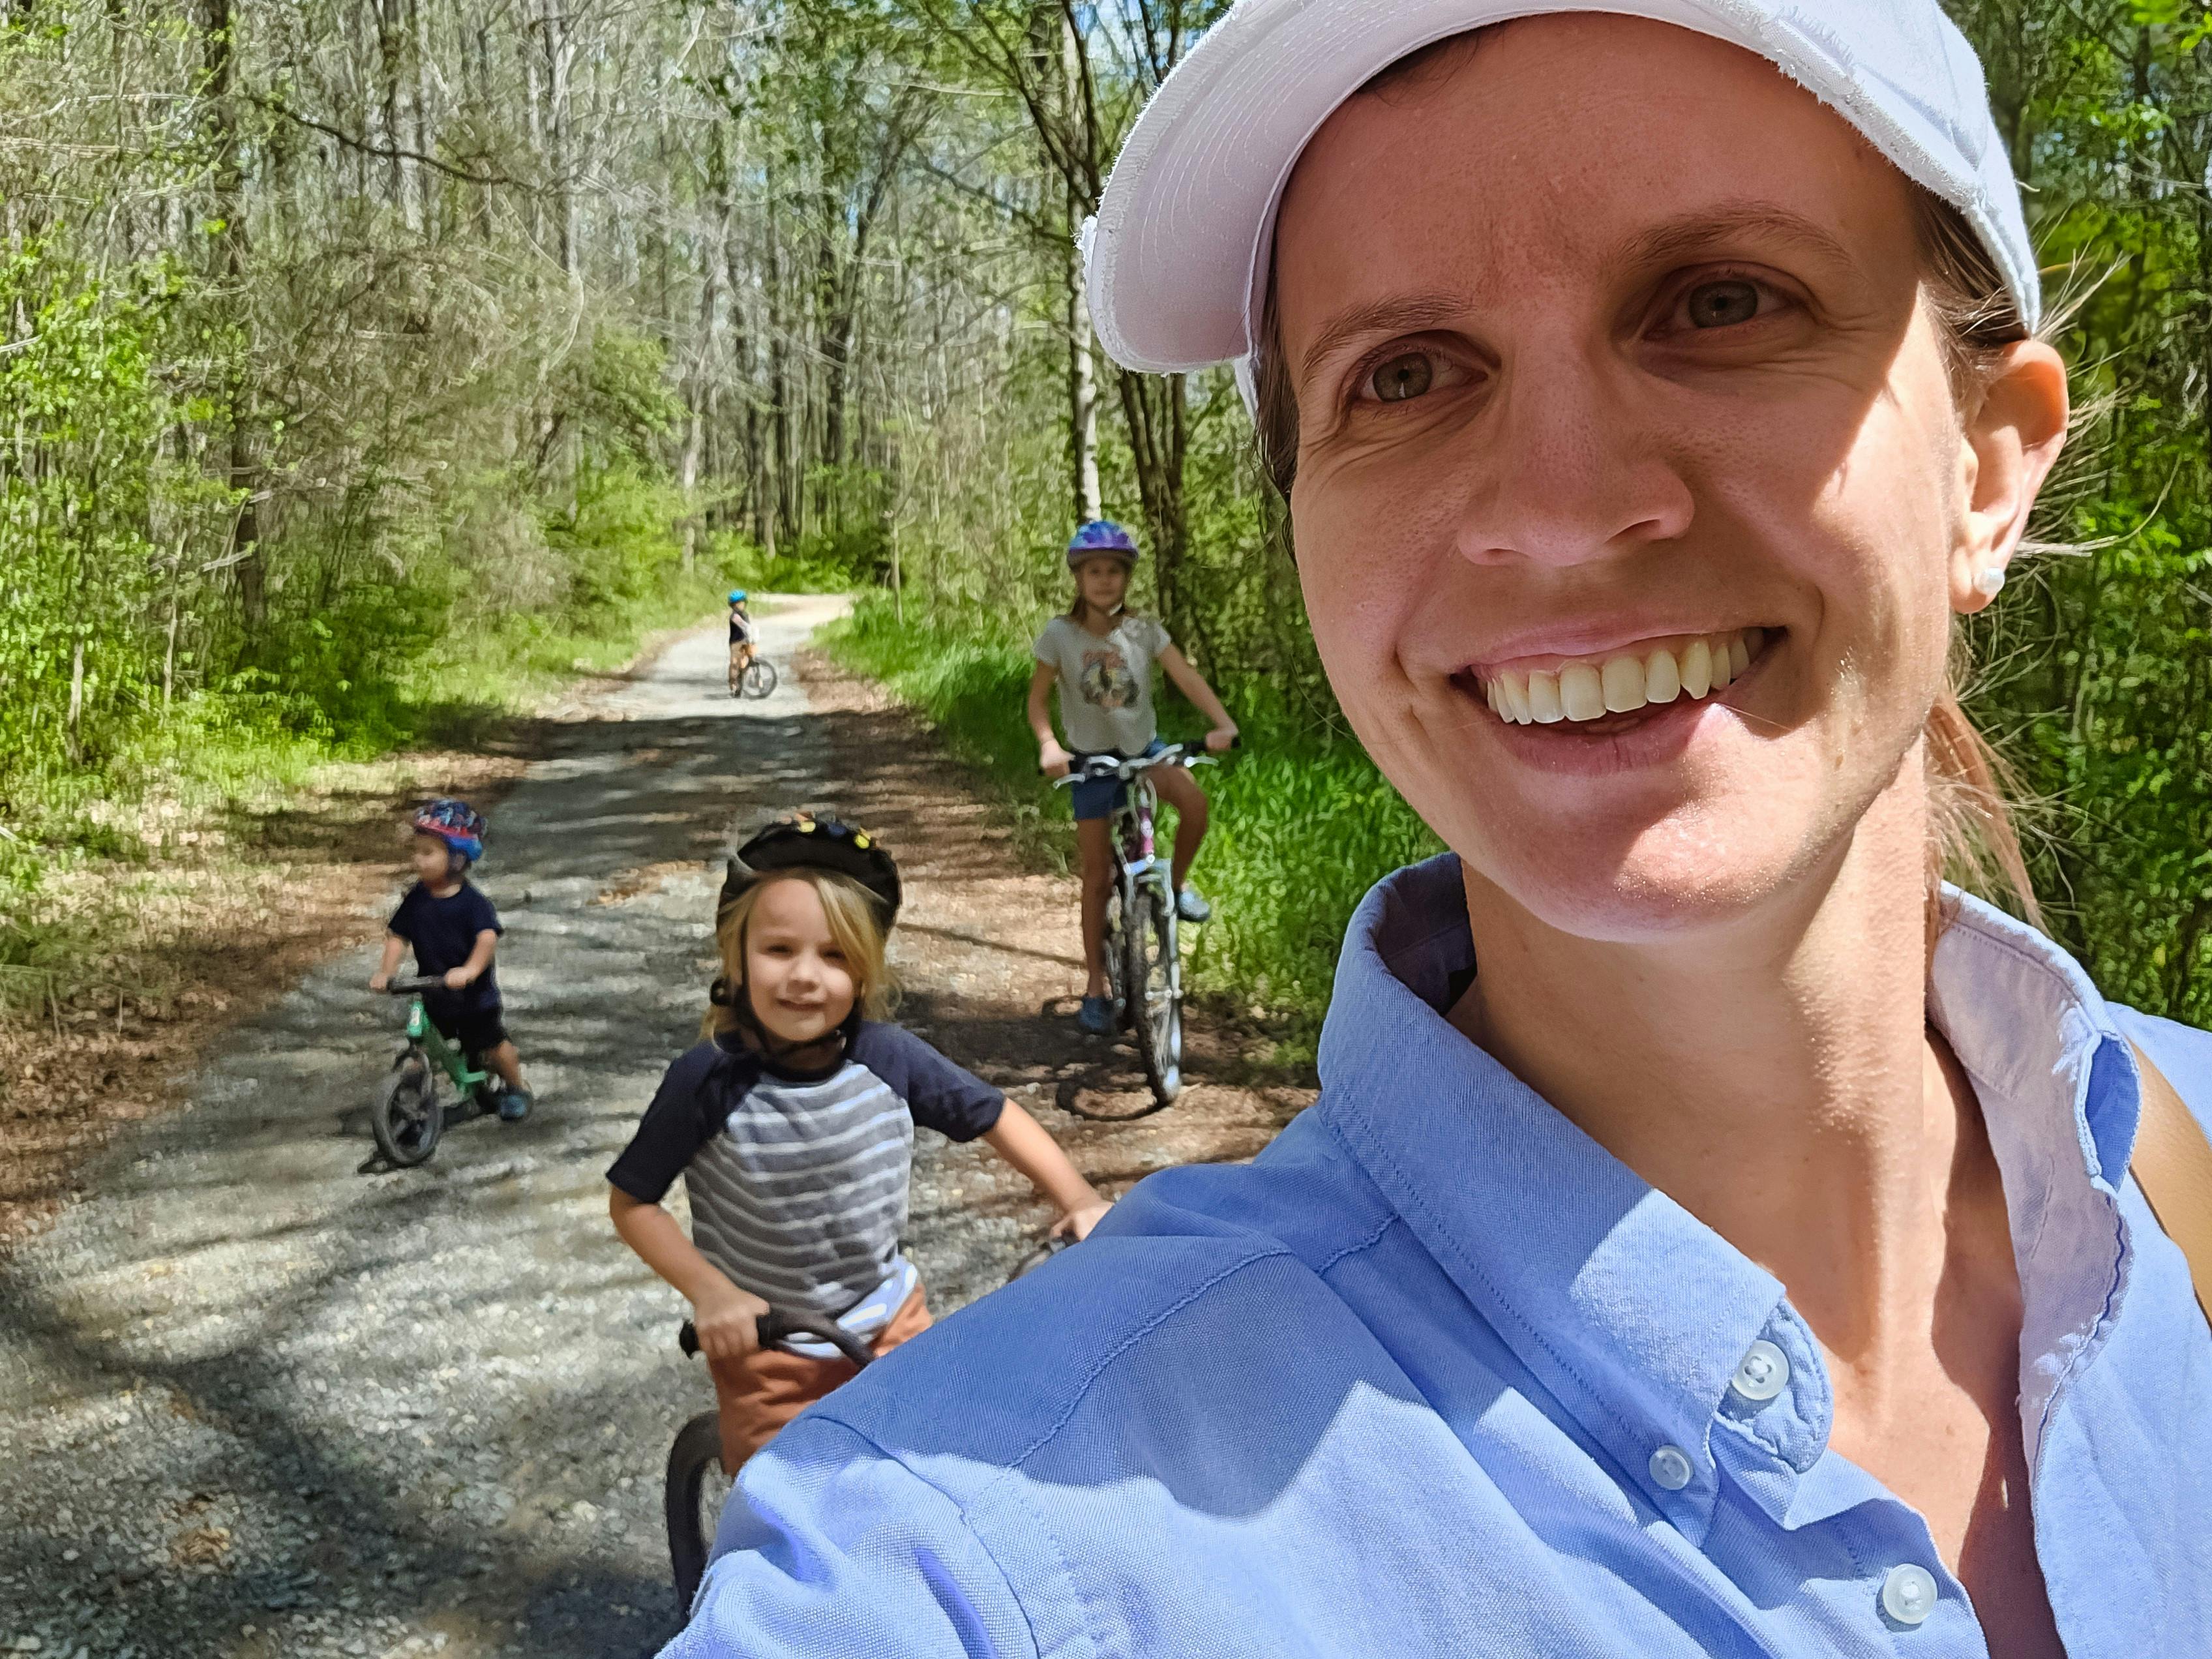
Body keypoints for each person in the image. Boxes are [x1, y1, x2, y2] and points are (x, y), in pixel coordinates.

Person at [665, 3, 2212, 1655]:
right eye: (1403, 374)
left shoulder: (2178, 1150)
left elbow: (1179, 687)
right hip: (1084, 780)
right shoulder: (971, 1550)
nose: (1555, 505)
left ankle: (1162, 908)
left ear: (1986, 464)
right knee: (1100, 836)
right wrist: (1049, 754)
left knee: (1168, 805)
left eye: (1719, 302)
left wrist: (1211, 729)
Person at [606, 813, 1113, 1469]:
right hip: (768, 1350)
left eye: (835, 955)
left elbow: (994, 1115)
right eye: (779, 950)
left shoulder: (890, 1059)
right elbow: (632, 1204)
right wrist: (710, 1292)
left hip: (890, 1322)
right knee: (781, 1515)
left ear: (866, 972)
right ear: (736, 959)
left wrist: (1075, 1197)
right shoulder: (707, 1080)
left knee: (932, 1474)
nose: (805, 976)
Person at [1026, 520, 1238, 1036]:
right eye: (1095, 571)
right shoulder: (1060, 634)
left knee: (1194, 803)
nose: (1105, 581)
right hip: (1090, 762)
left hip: (1144, 751)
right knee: (1097, 877)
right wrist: (1049, 744)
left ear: (1127, 579)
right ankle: (1096, 985)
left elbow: (1185, 675)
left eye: (1115, 572)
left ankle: (1178, 884)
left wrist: (1222, 723)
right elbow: (1037, 701)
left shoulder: (1144, 631)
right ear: (1079, 578)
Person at [369, 798, 532, 1121]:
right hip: (434, 990)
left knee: (492, 1043)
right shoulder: (416, 899)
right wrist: (386, 972)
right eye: (417, 851)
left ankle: (516, 1087)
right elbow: (398, 936)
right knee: (424, 1043)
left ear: (458, 858)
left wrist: (470, 970)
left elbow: (486, 938)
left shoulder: (472, 903)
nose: (419, 860)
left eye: (428, 853)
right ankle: (413, 1089)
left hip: (472, 996)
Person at [726, 590, 754, 695]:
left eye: (741, 603)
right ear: (733, 605)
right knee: (734, 663)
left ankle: (742, 683)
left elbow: (750, 627)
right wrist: (750, 630)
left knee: (744, 663)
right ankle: (733, 684)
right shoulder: (734, 616)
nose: (740, 605)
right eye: (737, 604)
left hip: (745, 641)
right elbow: (744, 626)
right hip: (736, 642)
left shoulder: (745, 614)